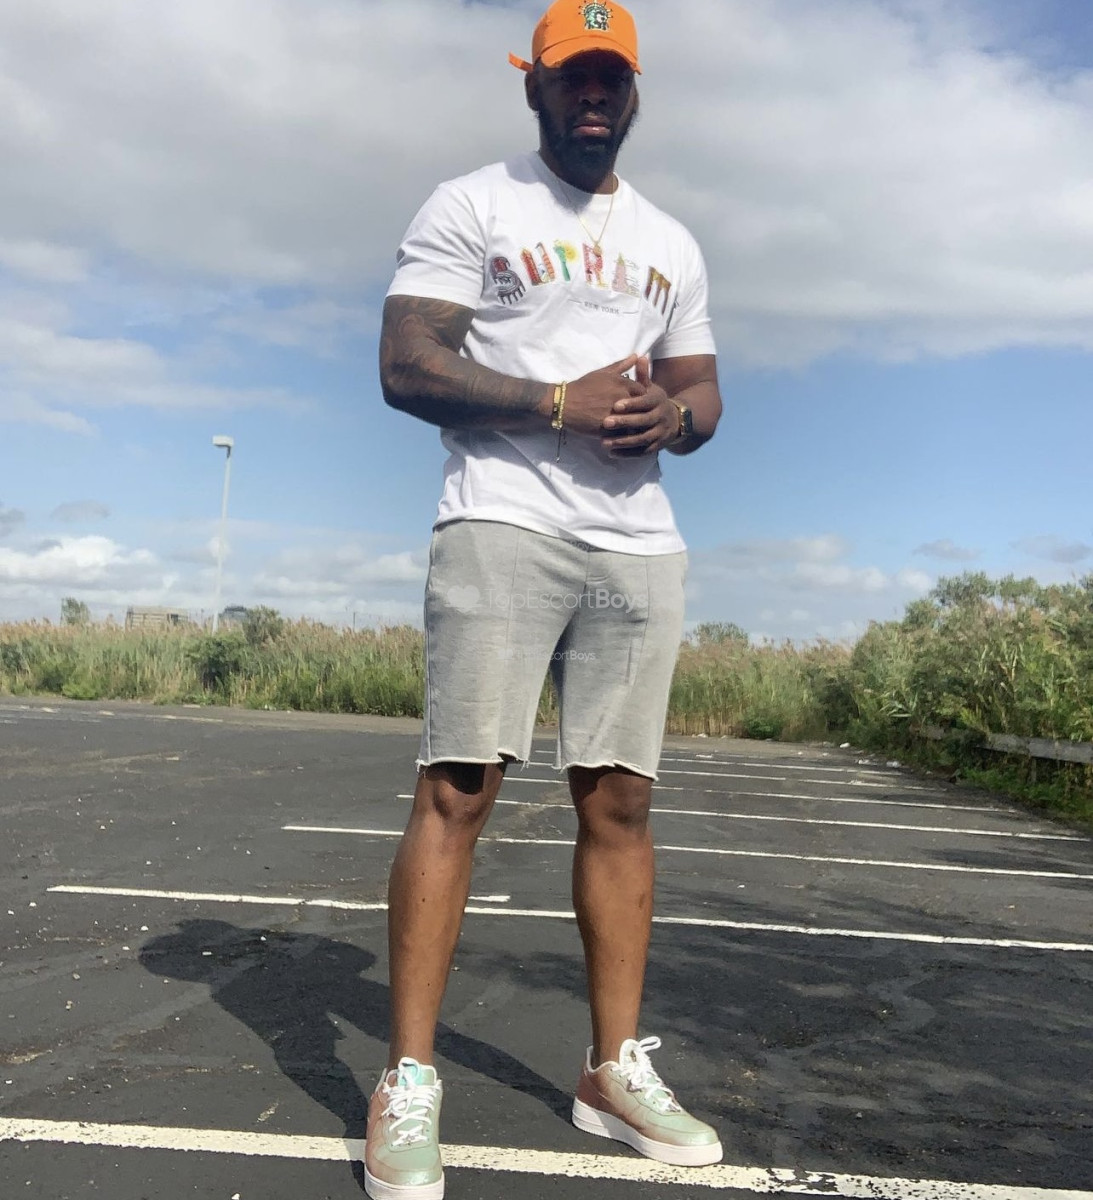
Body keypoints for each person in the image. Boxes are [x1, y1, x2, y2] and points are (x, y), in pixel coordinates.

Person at [366, 3, 723, 1196]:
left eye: (611, 79)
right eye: (573, 78)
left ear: (635, 95)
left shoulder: (669, 241)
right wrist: (556, 403)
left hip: (638, 542)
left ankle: (611, 1071)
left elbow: (704, 395)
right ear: (534, 87)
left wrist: (670, 417)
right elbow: (406, 363)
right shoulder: (473, 205)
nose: (592, 97)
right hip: (502, 520)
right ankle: (408, 1078)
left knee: (621, 801)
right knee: (457, 788)